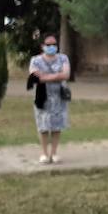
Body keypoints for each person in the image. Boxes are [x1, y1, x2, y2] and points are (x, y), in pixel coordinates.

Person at [29, 33, 71, 165]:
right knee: (43, 126)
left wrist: (45, 77)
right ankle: (44, 153)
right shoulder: (35, 60)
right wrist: (57, 76)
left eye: (54, 44)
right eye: (48, 45)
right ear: (42, 46)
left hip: (59, 97)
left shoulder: (63, 58)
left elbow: (66, 74)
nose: (52, 47)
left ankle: (54, 153)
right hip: (42, 97)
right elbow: (35, 77)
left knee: (57, 125)